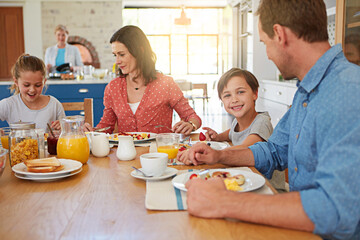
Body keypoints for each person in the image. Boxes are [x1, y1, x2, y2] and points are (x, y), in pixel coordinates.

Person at [185, 0, 360, 239]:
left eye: (265, 43)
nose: (267, 54)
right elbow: (274, 150)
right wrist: (219, 155)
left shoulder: (348, 91)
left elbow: (336, 210)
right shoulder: (306, 92)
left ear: (279, 34)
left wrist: (226, 202)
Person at [178, 68, 285, 191]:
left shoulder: (262, 122)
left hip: (268, 188)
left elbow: (245, 148)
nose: (234, 99)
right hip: (246, 180)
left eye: (240, 92)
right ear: (222, 101)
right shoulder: (237, 121)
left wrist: (211, 153)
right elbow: (232, 133)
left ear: (255, 93)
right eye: (227, 95)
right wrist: (218, 137)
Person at [83, 25, 201, 135]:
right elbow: (106, 126)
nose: (117, 61)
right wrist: (92, 131)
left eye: (122, 54)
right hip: (126, 155)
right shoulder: (113, 87)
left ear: (140, 51)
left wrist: (190, 125)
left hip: (159, 154)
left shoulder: (166, 84)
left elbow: (193, 117)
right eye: (115, 55)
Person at [0, 54, 65, 132]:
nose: (32, 90)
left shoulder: (54, 105)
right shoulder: (8, 104)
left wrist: (63, 128)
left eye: (38, 85)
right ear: (16, 82)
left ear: (44, 82)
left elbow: (67, 133)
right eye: (26, 85)